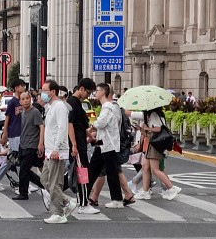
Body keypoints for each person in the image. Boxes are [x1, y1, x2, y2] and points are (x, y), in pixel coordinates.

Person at [88, 82, 129, 210]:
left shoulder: (108, 107)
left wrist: (90, 122)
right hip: (103, 143)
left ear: (104, 92)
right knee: (93, 170)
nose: (96, 92)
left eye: (98, 90)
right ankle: (83, 195)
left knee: (111, 172)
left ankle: (117, 199)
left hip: (108, 144)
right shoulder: (110, 107)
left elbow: (101, 123)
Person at [39, 81, 73, 224]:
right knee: (44, 179)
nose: (42, 93)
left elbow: (62, 128)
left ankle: (59, 212)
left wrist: (56, 148)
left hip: (56, 150)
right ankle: (66, 202)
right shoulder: (50, 106)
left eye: (45, 90)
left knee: (54, 183)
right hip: (50, 150)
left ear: (53, 91)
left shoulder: (59, 106)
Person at [136, 105, 181, 201]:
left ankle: (172, 188)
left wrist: (147, 128)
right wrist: (143, 129)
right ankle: (145, 191)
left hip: (155, 144)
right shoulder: (154, 114)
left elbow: (158, 129)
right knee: (145, 167)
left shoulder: (154, 114)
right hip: (152, 143)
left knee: (155, 170)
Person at [68, 78, 97, 214]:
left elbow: (82, 125)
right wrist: (74, 144)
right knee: (82, 173)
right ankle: (83, 204)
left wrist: (91, 137)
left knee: (82, 172)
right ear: (81, 89)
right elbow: (70, 125)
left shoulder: (78, 103)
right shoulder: (72, 103)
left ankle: (82, 202)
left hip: (81, 143)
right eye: (88, 92)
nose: (88, 95)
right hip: (77, 145)